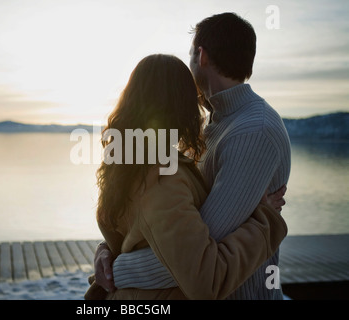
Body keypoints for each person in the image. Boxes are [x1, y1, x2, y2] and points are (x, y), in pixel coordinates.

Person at [93, 12, 291, 300]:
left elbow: (196, 259)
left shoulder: (253, 132)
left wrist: (116, 270)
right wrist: (106, 253)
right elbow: (156, 233)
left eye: (189, 55)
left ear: (201, 56)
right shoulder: (195, 137)